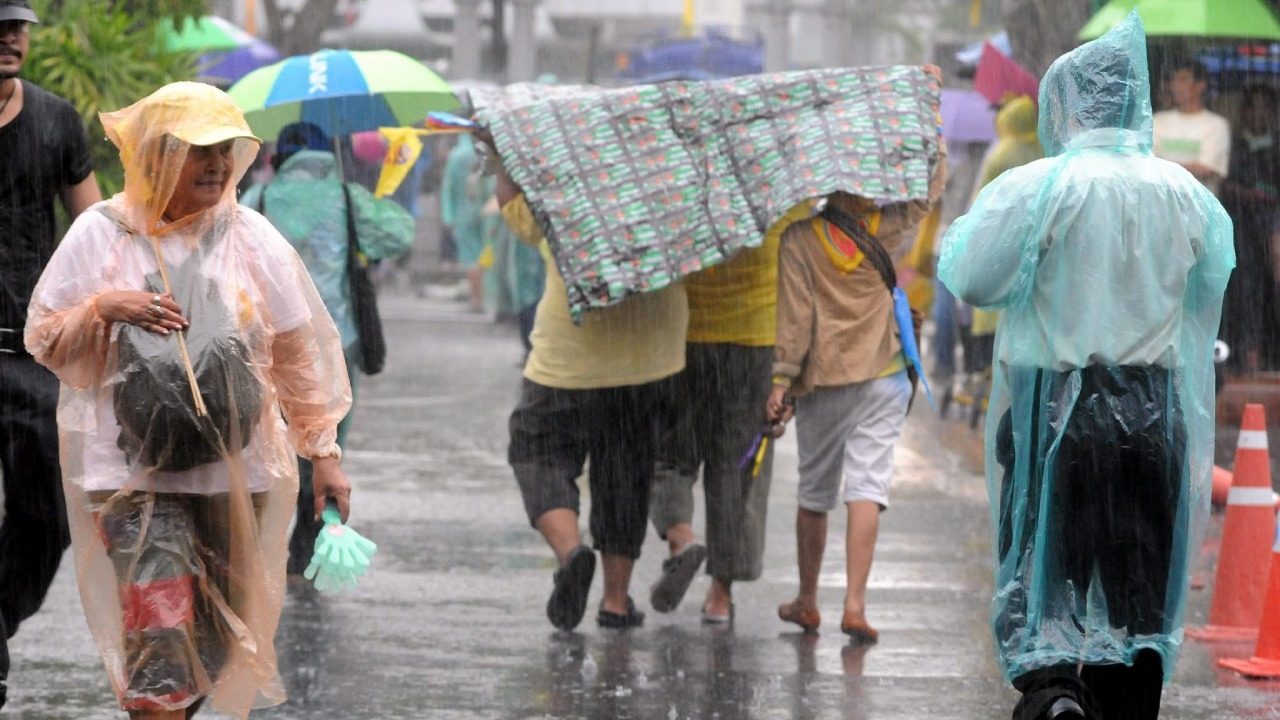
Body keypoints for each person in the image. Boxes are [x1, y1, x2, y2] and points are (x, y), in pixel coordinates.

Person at [24, 82, 354, 719]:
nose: (216, 165)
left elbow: (296, 351)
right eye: (199, 150)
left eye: (224, 150)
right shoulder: (103, 234)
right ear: (156, 156)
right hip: (131, 480)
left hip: (239, 477)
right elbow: (44, 336)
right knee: (160, 647)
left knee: (217, 646)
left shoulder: (250, 237)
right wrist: (104, 307)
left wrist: (324, 453)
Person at [938, 13, 1232, 720]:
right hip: (1155, 413)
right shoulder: (1186, 193)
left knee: (1045, 581)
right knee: (1137, 599)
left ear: (1065, 106)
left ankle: (1056, 697)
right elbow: (1210, 286)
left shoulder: (1042, 186)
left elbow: (973, 279)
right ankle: (1122, 704)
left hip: (1056, 408)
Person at [769, 66, 947, 641]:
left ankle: (807, 599)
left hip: (826, 380)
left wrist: (780, 381)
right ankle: (855, 604)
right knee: (868, 486)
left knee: (815, 491)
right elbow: (932, 186)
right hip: (885, 374)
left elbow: (795, 320)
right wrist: (931, 114)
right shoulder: (889, 224)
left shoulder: (800, 239)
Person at [495, 156, 689, 632]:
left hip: (569, 353)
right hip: (649, 352)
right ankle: (616, 602)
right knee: (626, 472)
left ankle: (570, 551)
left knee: (539, 451)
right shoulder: (673, 182)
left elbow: (515, 213)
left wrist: (502, 156)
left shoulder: (563, 180)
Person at [240, 121, 414, 579]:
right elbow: (400, 235)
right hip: (333, 343)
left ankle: (260, 537)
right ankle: (307, 535)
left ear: (280, 156)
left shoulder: (258, 200)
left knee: (270, 435)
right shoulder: (346, 197)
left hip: (268, 343)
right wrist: (378, 199)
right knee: (325, 439)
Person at [0, 0, 101, 708]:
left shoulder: (57, 120)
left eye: (18, 26)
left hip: (34, 355)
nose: (9, 37)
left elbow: (95, 234)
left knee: (48, 521)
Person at [646, 201, 810, 624]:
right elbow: (803, 274)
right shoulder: (782, 192)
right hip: (757, 341)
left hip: (683, 336)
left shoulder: (682, 182)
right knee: (738, 469)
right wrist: (792, 376)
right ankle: (720, 595)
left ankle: (681, 537)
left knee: (670, 455)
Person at [1219, 85, 1280, 371]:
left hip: (1273, 227)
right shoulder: (1233, 146)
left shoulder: (1277, 146)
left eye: (1264, 107)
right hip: (1241, 227)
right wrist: (1245, 194)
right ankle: (1249, 358)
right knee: (1245, 290)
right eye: (1252, 107)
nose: (1258, 114)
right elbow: (1222, 182)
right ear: (1243, 113)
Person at [1153, 57, 1230, 195]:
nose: (1175, 86)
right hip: (1160, 203)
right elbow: (1146, 162)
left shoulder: (1216, 125)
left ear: (1200, 85)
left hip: (1198, 205)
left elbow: (1207, 170)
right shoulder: (1157, 120)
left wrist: (1161, 166)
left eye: (1183, 80)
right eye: (1173, 80)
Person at [441, 134, 489, 311]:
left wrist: (448, 217)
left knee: (471, 257)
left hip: (464, 213)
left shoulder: (456, 156)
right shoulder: (487, 152)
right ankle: (487, 297)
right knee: (486, 255)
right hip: (487, 212)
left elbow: (448, 188)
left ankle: (477, 299)